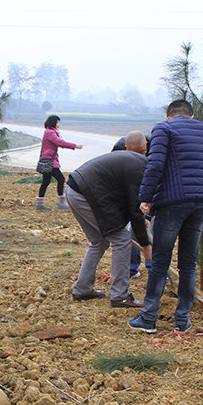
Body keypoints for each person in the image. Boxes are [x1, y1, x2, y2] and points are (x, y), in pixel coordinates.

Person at [129, 100, 203, 334]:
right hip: (199, 202)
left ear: (168, 115)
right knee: (188, 264)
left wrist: (146, 197)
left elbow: (155, 164)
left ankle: (148, 318)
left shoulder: (163, 128)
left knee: (160, 261)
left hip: (171, 203)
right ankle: (182, 319)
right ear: (191, 115)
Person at [66, 131, 152, 308]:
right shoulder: (140, 166)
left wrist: (142, 220)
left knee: (99, 242)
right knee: (122, 239)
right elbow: (134, 208)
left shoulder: (124, 157)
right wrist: (146, 245)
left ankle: (82, 289)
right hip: (85, 194)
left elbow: (126, 203)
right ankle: (120, 295)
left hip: (74, 189)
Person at [112, 133, 153, 279]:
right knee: (132, 229)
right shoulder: (118, 151)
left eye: (141, 153)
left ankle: (152, 267)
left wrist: (147, 216)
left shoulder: (154, 150)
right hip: (129, 193)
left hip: (148, 193)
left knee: (148, 229)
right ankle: (131, 268)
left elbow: (153, 183)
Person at [35, 115, 82, 211]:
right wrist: (75, 146)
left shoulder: (49, 132)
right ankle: (61, 203)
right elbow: (60, 143)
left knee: (46, 182)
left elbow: (59, 143)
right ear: (53, 122)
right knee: (61, 179)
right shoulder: (50, 133)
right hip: (50, 161)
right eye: (58, 122)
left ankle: (40, 204)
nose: (59, 124)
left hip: (48, 160)